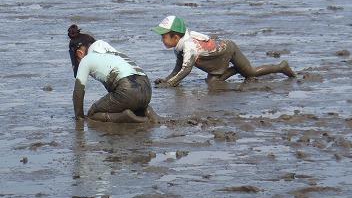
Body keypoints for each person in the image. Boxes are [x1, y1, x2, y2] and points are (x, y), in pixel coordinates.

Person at [152, 16, 296, 87]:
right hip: (216, 60)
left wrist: (170, 84)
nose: (161, 40)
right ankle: (236, 70)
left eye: (164, 37)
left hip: (228, 50)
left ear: (176, 37)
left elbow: (185, 70)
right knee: (212, 81)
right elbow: (178, 68)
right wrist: (166, 80)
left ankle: (282, 67)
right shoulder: (178, 47)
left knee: (250, 73)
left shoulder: (190, 46)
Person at [68, 24, 154, 123]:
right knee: (128, 101)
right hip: (147, 89)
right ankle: (147, 111)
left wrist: (79, 118)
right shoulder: (113, 52)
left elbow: (78, 94)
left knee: (92, 114)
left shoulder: (86, 60)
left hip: (128, 91)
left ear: (79, 53)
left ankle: (125, 116)